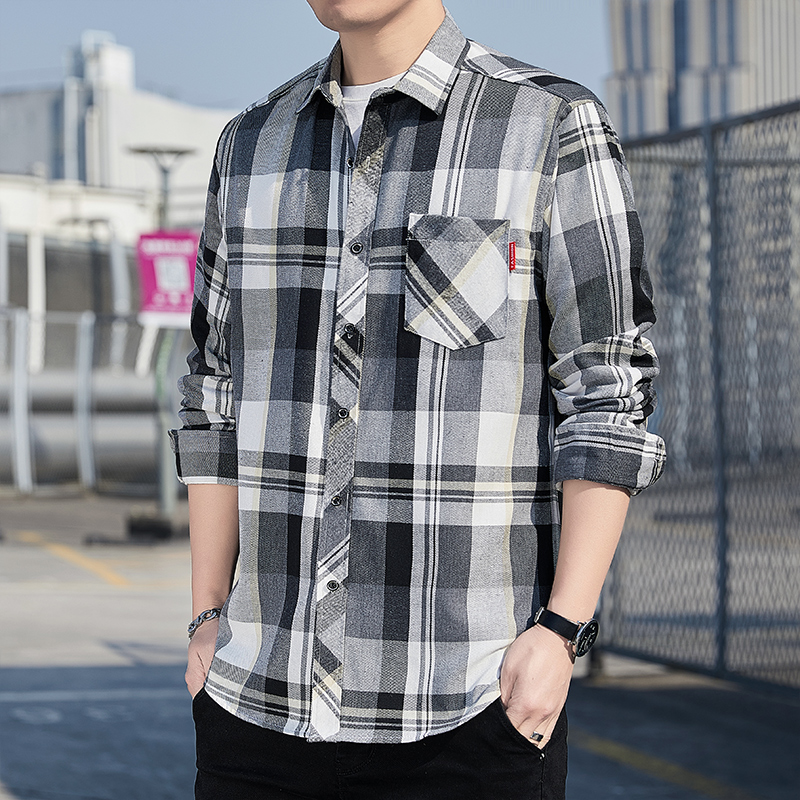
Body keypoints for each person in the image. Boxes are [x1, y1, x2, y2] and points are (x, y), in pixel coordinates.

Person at [170, 1, 666, 797]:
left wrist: (561, 631)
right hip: (256, 705)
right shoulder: (251, 146)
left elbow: (608, 390)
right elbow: (213, 392)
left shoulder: (547, 125)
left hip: (469, 707)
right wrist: (206, 617)